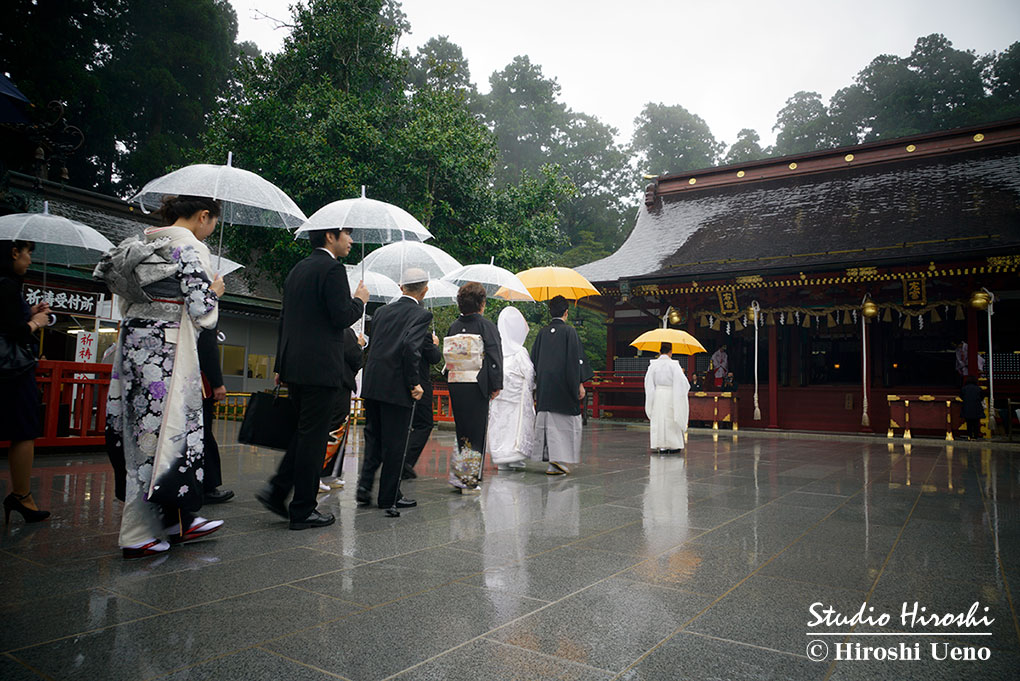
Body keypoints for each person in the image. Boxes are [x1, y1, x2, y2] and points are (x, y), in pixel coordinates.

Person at [95, 195, 226, 558]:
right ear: (203, 216)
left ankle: (175, 518)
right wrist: (215, 292)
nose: (211, 229)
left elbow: (125, 301)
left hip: (135, 346)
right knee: (158, 441)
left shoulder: (145, 242)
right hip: (166, 351)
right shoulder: (189, 247)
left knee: (144, 434)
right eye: (212, 221)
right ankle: (137, 532)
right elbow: (202, 313)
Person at [256, 226, 368, 530]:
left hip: (295, 365)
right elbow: (340, 316)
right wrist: (358, 301)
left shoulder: (298, 270)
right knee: (313, 438)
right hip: (321, 368)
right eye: (347, 234)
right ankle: (303, 509)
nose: (351, 241)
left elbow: (286, 320)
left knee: (304, 433)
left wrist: (281, 363)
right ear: (330, 236)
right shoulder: (332, 269)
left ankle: (277, 489)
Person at [357, 268, 433, 511]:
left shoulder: (381, 311)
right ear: (425, 290)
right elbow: (411, 349)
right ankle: (389, 496)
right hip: (397, 387)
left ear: (401, 288)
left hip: (373, 384)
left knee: (374, 439)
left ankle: (363, 487)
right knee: (395, 443)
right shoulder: (421, 315)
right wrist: (415, 384)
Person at [1, 239, 52, 524]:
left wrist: (29, 311)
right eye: (28, 252)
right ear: (14, 252)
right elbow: (15, 331)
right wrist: (36, 323)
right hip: (13, 369)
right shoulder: (7, 285)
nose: (30, 260)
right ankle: (21, 495)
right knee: (23, 430)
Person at [444, 282, 502, 491]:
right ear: (481, 303)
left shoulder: (454, 326)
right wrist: (496, 384)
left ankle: (460, 475)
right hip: (477, 383)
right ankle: (468, 479)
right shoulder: (486, 326)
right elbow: (494, 357)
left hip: (457, 382)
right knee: (476, 432)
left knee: (463, 430)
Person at [530, 295, 593, 475]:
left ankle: (552, 460)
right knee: (563, 425)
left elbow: (533, 360)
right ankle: (560, 461)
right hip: (564, 387)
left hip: (545, 388)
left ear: (550, 312)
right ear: (566, 312)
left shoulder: (542, 333)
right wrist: (579, 384)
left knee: (548, 424)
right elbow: (575, 361)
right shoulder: (569, 332)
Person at [488, 306, 534, 471]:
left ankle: (501, 457)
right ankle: (514, 456)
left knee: (500, 425)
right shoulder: (519, 352)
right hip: (516, 399)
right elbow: (529, 373)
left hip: (500, 395)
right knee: (515, 427)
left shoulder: (496, 348)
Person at [320, 326, 365, 489]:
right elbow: (355, 359)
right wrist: (359, 345)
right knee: (335, 429)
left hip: (322, 383)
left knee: (331, 429)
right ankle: (318, 473)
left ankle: (329, 473)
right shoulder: (345, 331)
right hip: (338, 385)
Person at [197, 325, 233, 504]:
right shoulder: (204, 309)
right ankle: (207, 485)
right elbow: (208, 347)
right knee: (203, 434)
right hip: (198, 382)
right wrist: (217, 382)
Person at [401, 324, 441, 480]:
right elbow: (434, 358)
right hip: (419, 383)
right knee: (424, 424)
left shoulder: (398, 330)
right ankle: (405, 461)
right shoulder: (423, 334)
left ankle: (397, 459)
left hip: (398, 383)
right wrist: (435, 344)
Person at [643, 342, 690, 453]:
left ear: (659, 351)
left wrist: (651, 397)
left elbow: (648, 383)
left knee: (658, 418)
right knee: (671, 417)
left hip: (658, 394)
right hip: (671, 394)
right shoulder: (674, 365)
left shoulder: (653, 365)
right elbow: (683, 383)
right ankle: (673, 445)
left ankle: (660, 445)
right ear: (671, 352)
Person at [960, 375, 984, 440]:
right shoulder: (979, 389)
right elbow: (982, 397)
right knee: (976, 422)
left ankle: (969, 435)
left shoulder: (964, 389)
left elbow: (961, 396)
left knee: (969, 423)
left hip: (967, 407)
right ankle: (976, 436)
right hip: (976, 407)